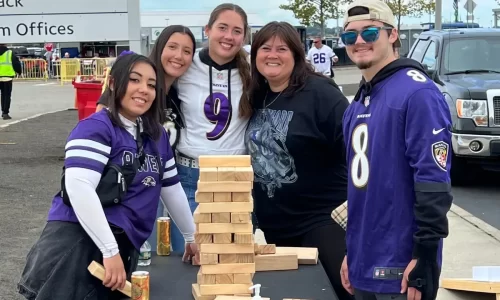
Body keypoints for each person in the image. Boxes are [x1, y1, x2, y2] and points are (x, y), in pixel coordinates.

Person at [17, 54, 198, 300]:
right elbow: (79, 188)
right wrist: (109, 250)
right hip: (78, 246)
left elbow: (171, 188)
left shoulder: (156, 134)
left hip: (121, 247)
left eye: (151, 84)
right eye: (134, 80)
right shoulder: (96, 127)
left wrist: (191, 236)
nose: (143, 90)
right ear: (113, 84)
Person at [339, 1, 453, 300]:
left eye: (370, 32)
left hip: (400, 268)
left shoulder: (418, 93)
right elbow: (359, 188)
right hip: (363, 260)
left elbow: (433, 184)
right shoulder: (358, 102)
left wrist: (424, 255)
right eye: (350, 36)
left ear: (392, 35)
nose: (359, 41)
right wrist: (352, 251)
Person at [245, 21, 351, 300]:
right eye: (265, 48)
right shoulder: (257, 94)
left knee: (344, 292)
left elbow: (360, 157)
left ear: (296, 53)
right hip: (276, 227)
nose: (273, 55)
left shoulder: (322, 94)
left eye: (282, 48)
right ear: (255, 54)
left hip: (321, 221)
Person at [169, 3, 252, 253]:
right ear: (207, 30)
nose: (229, 36)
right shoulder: (185, 65)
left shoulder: (252, 68)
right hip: (189, 174)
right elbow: (146, 79)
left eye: (237, 31)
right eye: (222, 28)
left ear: (244, 35)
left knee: (232, 260)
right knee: (187, 260)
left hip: (234, 177)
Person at [0, 43, 22, 120]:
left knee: (2, 95)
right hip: (7, 76)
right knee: (6, 95)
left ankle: (3, 111)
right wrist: (19, 71)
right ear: (5, 45)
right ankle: (5, 113)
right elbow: (16, 63)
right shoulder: (9, 52)